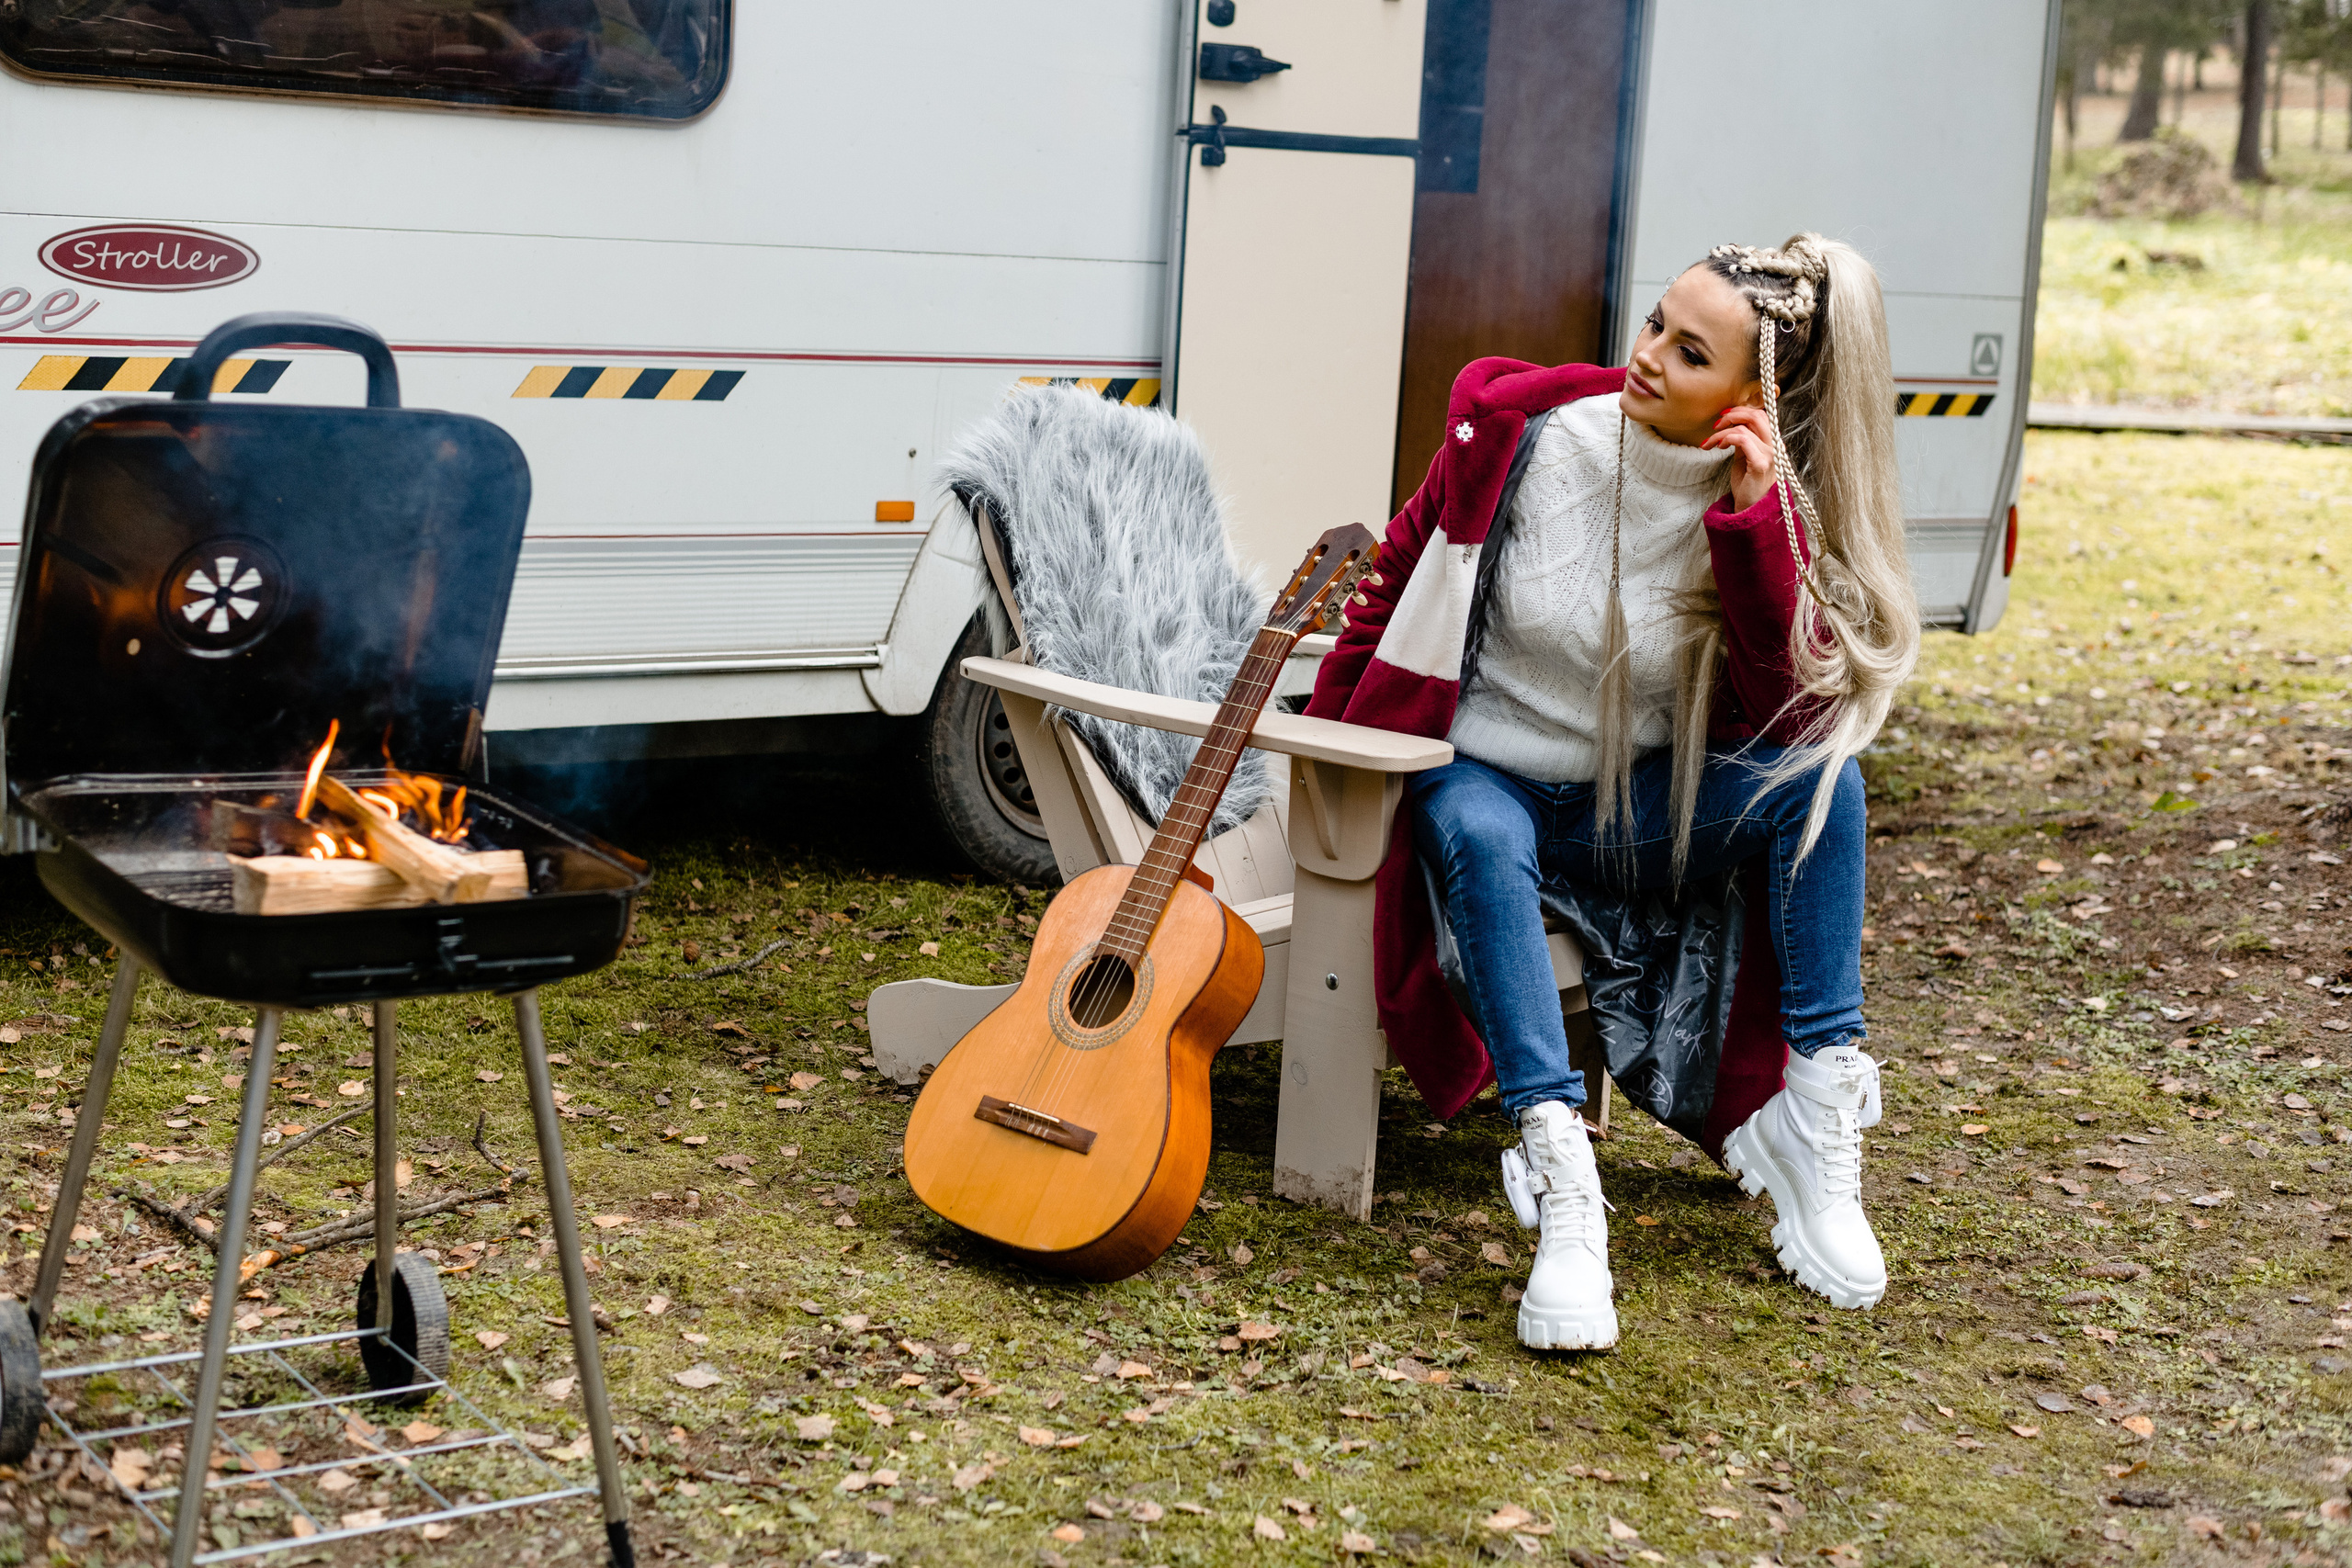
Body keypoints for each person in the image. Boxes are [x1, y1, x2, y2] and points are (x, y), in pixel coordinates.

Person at [1304, 233, 1918, 1352]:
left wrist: (1752, 527)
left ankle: (1817, 1109)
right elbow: (1389, 585)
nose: (1647, 357)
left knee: (1824, 780)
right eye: (1654, 324)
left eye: (1690, 355)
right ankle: (1560, 1176)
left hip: (1623, 814)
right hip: (1481, 780)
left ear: (1751, 400)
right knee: (1478, 829)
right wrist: (1333, 764)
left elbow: (1789, 717)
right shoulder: (1519, 435)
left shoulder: (1764, 501)